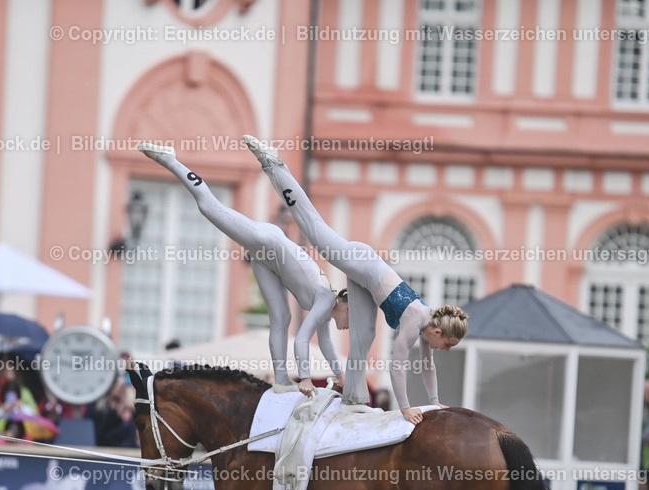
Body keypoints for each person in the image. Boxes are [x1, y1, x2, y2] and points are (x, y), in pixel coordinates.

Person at [244, 134, 468, 423]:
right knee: (310, 222)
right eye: (448, 344)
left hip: (365, 282)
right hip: (359, 261)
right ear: (439, 332)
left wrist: (435, 401)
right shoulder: (415, 320)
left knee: (364, 336)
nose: (446, 351)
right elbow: (397, 366)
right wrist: (405, 408)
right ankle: (273, 163)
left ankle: (353, 397)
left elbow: (428, 367)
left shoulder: (427, 328)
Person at [138, 143, 345, 394]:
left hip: (267, 261)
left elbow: (325, 343)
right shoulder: (325, 298)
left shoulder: (325, 308)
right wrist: (305, 378)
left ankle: (280, 379)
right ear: (345, 305)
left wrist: (340, 373)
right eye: (351, 319)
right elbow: (301, 340)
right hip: (268, 242)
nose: (348, 327)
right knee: (209, 208)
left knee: (281, 317)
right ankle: (171, 160)